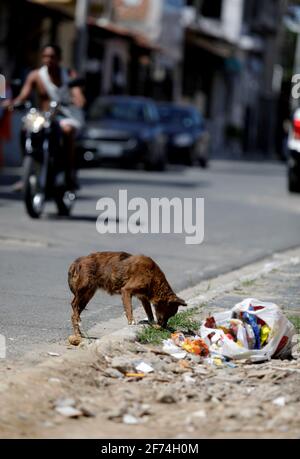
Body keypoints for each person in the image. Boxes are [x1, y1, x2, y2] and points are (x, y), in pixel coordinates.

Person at [6, 44, 85, 190]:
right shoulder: (36, 75)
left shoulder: (68, 74)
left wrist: (77, 100)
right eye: (45, 56)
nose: (48, 60)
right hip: (43, 116)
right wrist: (12, 103)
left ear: (59, 58)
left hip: (64, 115)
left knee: (67, 131)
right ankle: (28, 170)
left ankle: (68, 174)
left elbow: (78, 94)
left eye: (52, 57)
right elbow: (23, 95)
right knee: (26, 128)